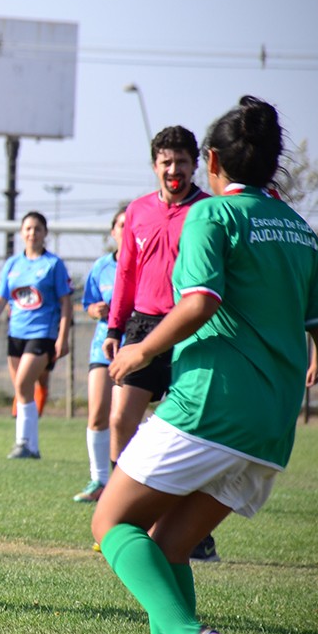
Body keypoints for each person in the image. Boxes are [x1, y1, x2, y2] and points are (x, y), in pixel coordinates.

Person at [93, 96, 318, 634]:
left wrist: (139, 352)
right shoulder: (302, 232)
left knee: (111, 524)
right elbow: (317, 324)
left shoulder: (211, 217)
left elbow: (199, 303)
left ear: (211, 160)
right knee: (168, 547)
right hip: (272, 428)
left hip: (211, 405)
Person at [102, 126, 220, 563]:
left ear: (197, 165)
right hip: (142, 326)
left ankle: (196, 532)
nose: (174, 170)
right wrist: (115, 329)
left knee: (193, 434)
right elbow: (126, 275)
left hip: (194, 327)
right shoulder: (137, 212)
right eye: (166, 162)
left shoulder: (209, 212)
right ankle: (122, 513)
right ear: (155, 166)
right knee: (120, 420)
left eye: (182, 162)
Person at [0, 211, 73, 459]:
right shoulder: (13, 264)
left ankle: (23, 443)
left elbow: (65, 302)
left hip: (42, 333)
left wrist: (63, 336)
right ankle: (32, 447)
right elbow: (0, 300)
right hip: (15, 334)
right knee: (22, 390)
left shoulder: (53, 264)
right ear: (21, 233)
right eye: (28, 229)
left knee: (22, 383)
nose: (32, 233)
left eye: (37, 229)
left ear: (45, 233)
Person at [74, 210, 126, 502]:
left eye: (131, 224)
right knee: (97, 414)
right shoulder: (101, 267)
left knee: (122, 418)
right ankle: (98, 481)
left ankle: (124, 483)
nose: (125, 229)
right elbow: (88, 304)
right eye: (120, 224)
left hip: (133, 348)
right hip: (102, 347)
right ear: (113, 232)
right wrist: (95, 310)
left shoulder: (143, 265)